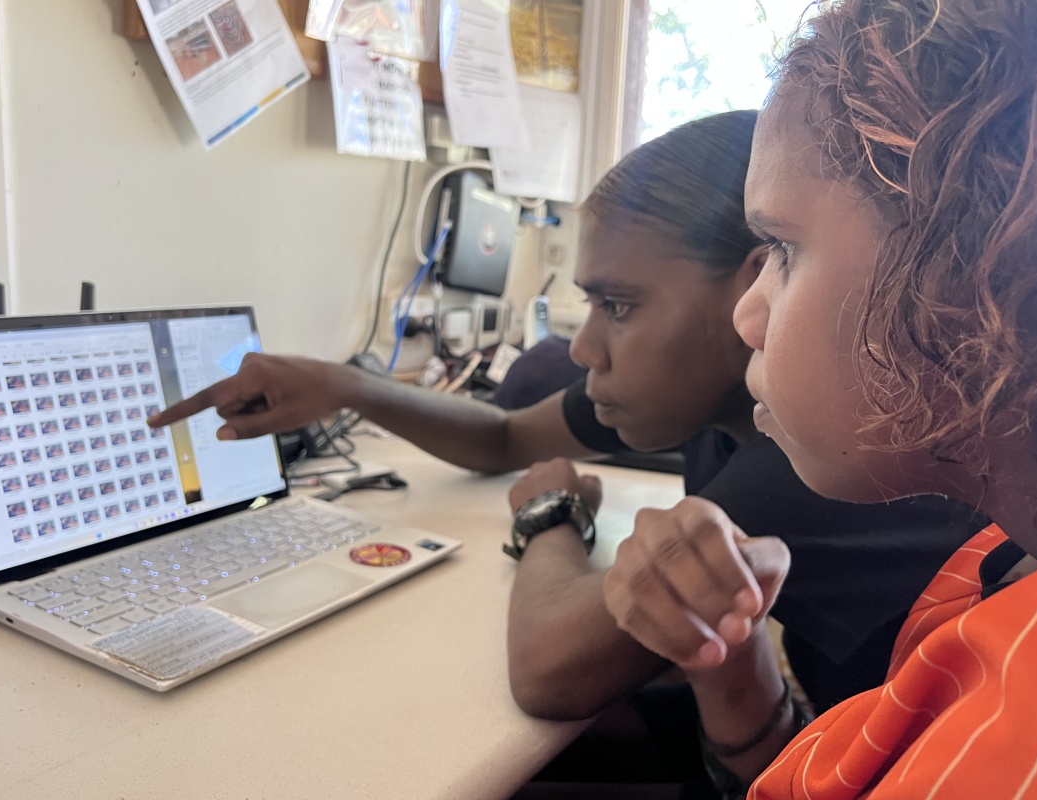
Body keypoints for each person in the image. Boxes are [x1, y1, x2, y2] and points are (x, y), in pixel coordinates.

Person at [147, 113, 982, 727]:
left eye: (618, 305)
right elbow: (502, 436)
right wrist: (342, 384)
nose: (584, 348)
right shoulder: (700, 387)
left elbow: (549, 670)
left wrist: (551, 518)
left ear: (754, 290)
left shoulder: (810, 450)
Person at [598, 0, 1037, 796]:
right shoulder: (1016, 553)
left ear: (980, 271)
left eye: (783, 249)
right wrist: (735, 674)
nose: (747, 313)